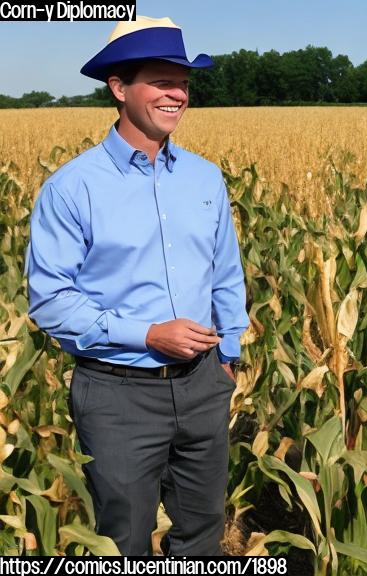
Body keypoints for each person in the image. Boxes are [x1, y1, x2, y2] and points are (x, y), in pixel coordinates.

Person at [26, 17, 248, 555]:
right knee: (122, 542)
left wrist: (229, 355)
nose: (177, 95)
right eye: (161, 81)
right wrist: (147, 334)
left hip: (203, 386)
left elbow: (225, 272)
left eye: (184, 84)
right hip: (117, 393)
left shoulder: (205, 178)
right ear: (119, 88)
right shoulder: (71, 188)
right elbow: (50, 300)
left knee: (201, 535)